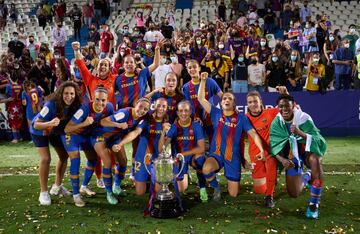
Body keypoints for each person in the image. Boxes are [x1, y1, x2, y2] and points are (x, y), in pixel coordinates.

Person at [198, 72, 265, 200]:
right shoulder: (216, 113)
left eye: (230, 99)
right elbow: (201, 99)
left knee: (233, 194)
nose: (226, 100)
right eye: (224, 98)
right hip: (216, 154)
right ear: (221, 103)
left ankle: (230, 178)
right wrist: (203, 80)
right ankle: (216, 186)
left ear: (234, 104)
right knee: (206, 169)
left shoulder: (242, 118)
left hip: (233, 158)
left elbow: (253, 134)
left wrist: (261, 149)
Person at [270, 94, 327, 219]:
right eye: (281, 106)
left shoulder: (303, 118)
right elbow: (273, 146)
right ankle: (306, 176)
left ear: (293, 106)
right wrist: (282, 159)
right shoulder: (277, 122)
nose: (284, 109)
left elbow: (319, 140)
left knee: (315, 160)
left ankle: (313, 206)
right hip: (291, 156)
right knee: (294, 193)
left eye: (287, 106)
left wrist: (300, 133)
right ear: (277, 107)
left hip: (307, 152)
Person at [31, 81, 82, 205]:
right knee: (46, 158)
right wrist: (49, 123)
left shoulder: (75, 105)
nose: (69, 96)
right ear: (60, 93)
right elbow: (36, 124)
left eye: (71, 93)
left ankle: (57, 186)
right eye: (66, 93)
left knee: (64, 156)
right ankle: (43, 192)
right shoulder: (50, 105)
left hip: (55, 132)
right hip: (41, 131)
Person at [93, 98, 151, 204]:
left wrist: (120, 144)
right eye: (141, 106)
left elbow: (135, 133)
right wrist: (118, 125)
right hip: (101, 136)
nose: (142, 110)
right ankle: (109, 193)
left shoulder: (142, 118)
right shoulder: (125, 113)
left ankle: (116, 186)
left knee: (123, 161)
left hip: (115, 138)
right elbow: (103, 121)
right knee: (108, 163)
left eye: (146, 109)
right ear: (136, 104)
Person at [63, 86, 114, 207]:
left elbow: (111, 123)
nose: (100, 103)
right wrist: (84, 123)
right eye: (97, 99)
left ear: (107, 100)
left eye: (103, 100)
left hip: (87, 135)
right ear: (92, 98)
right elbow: (67, 128)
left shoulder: (110, 108)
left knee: (93, 159)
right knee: (76, 160)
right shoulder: (84, 108)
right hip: (72, 135)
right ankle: (76, 196)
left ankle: (83, 187)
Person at [112, 98, 168, 195]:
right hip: (142, 158)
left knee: (159, 191)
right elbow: (136, 132)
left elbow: (161, 148)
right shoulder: (147, 119)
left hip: (157, 159)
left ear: (167, 108)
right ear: (154, 106)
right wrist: (120, 144)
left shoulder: (167, 122)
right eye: (159, 105)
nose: (161, 108)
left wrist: (163, 132)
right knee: (140, 192)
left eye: (164, 106)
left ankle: (152, 177)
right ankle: (144, 177)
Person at [246, 87, 288, 208]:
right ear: (247, 104)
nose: (253, 104)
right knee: (259, 189)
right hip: (255, 154)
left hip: (271, 151)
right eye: (250, 102)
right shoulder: (245, 118)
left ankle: (269, 196)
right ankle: (271, 180)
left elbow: (288, 107)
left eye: (255, 101)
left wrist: (285, 94)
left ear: (260, 101)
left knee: (271, 163)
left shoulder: (270, 113)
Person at [158, 100, 208, 202]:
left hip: (193, 156)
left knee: (200, 161)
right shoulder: (174, 127)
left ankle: (202, 187)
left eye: (186, 110)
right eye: (180, 111)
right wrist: (163, 132)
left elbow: (202, 148)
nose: (183, 113)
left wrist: (182, 154)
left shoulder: (196, 125)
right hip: (180, 159)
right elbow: (161, 148)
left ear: (190, 112)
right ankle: (185, 173)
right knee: (182, 189)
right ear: (177, 113)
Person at [115, 40, 164, 109]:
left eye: (131, 62)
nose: (129, 64)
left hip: (139, 110)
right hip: (123, 111)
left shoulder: (141, 73)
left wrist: (157, 49)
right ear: (123, 65)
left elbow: (155, 64)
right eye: (126, 62)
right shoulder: (118, 79)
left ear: (135, 65)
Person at [182, 60, 223, 141]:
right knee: (197, 143)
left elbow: (221, 96)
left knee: (214, 142)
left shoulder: (210, 81)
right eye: (189, 68)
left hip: (210, 117)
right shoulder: (186, 87)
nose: (192, 69)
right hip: (196, 118)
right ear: (187, 70)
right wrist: (193, 117)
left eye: (194, 67)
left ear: (199, 68)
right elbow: (188, 106)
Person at [72, 41, 117, 105]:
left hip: (111, 113)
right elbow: (81, 65)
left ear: (109, 69)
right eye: (101, 64)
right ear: (96, 67)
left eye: (105, 65)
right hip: (94, 113)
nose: (103, 66)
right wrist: (76, 51)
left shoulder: (115, 78)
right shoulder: (90, 79)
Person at [0, 76, 23, 143]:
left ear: (10, 79)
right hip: (19, 106)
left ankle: (15, 138)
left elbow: (7, 95)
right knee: (18, 121)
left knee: (13, 122)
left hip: (12, 105)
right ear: (17, 79)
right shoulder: (20, 86)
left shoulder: (9, 86)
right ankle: (20, 137)